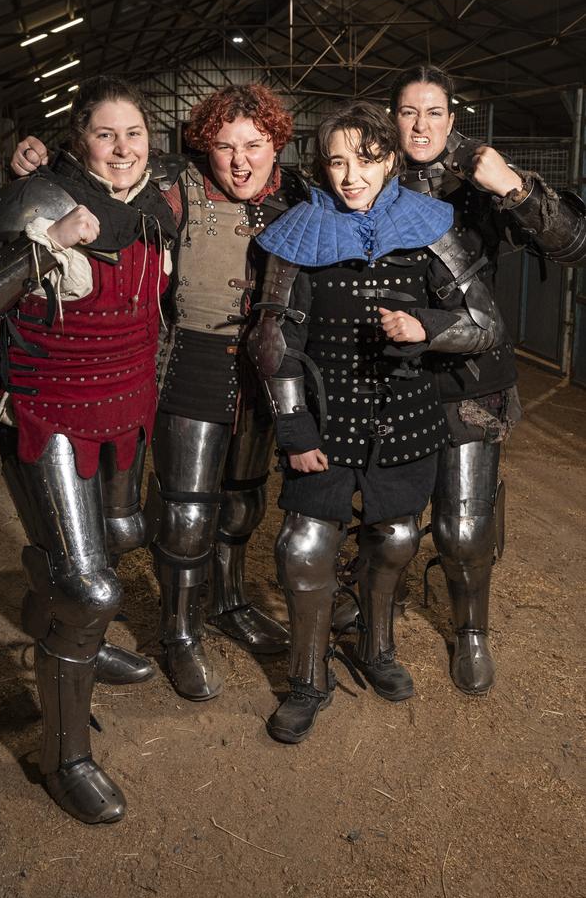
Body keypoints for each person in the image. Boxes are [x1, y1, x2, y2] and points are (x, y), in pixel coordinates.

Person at [11, 84, 309, 702]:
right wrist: (46, 164)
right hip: (190, 362)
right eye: (225, 146)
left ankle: (228, 603)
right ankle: (180, 634)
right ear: (205, 147)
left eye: (254, 146)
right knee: (187, 516)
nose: (239, 161)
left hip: (262, 370)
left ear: (276, 144)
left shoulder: (300, 195)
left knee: (244, 505)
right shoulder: (177, 186)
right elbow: (112, 182)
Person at [0, 75, 178, 823]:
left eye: (132, 133)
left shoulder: (159, 202)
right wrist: (44, 245)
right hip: (50, 412)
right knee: (90, 587)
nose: (121, 148)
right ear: (80, 139)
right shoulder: (37, 198)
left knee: (117, 541)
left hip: (124, 405)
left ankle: (77, 639)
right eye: (105, 134)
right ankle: (65, 757)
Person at [248, 100, 503, 743]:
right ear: (321, 165)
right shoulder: (297, 233)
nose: (351, 175)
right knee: (304, 549)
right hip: (326, 420)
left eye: (366, 159)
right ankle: (307, 680)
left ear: (390, 158)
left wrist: (430, 327)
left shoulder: (431, 227)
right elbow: (275, 342)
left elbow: (487, 324)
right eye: (337, 160)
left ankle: (376, 648)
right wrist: (294, 429)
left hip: (405, 416)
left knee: (393, 539)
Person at [389, 64, 586, 694]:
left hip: (472, 372)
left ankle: (472, 629)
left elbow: (574, 242)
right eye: (408, 112)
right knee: (387, 516)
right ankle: (372, 610)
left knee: (463, 528)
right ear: (392, 117)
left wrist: (513, 188)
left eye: (434, 113)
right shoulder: (367, 172)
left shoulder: (477, 181)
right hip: (390, 368)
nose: (420, 126)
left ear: (453, 119)